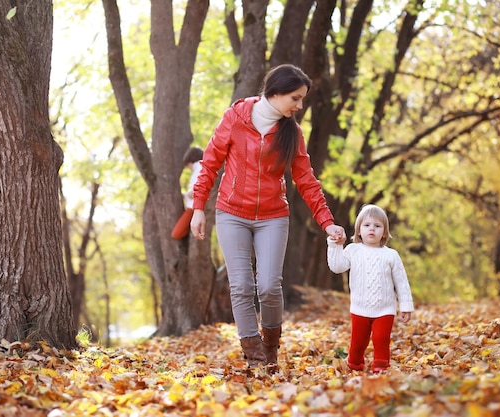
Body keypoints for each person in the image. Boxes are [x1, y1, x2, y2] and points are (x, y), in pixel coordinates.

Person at [190, 64, 346, 370]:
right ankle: (256, 357)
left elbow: (307, 181)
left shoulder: (292, 132)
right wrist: (198, 208)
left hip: (273, 216)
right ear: (275, 93)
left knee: (270, 286)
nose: (299, 106)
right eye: (296, 98)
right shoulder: (235, 118)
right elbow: (210, 163)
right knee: (241, 286)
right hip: (231, 213)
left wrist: (327, 223)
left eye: (302, 100)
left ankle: (271, 347)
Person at [327, 204, 414, 374]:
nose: (371, 229)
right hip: (360, 308)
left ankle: (381, 368)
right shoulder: (353, 250)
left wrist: (406, 306)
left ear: (385, 232)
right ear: (359, 230)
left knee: (381, 340)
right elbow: (337, 267)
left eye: (377, 226)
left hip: (385, 309)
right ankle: (354, 363)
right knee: (358, 342)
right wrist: (335, 245)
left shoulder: (391, 255)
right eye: (367, 225)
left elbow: (401, 282)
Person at [171, 146, 204, 239]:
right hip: (193, 207)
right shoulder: (201, 167)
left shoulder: (199, 168)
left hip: (193, 208)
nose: (189, 169)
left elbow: (197, 189)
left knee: (176, 233)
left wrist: (187, 195)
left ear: (189, 162)